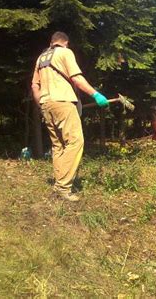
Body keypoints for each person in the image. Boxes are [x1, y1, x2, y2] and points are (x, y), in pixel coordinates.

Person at [31, 31, 109, 202]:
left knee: (58, 146)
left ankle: (59, 184)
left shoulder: (41, 58)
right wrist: (96, 94)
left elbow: (34, 86)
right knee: (75, 141)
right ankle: (63, 188)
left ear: (52, 42)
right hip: (63, 102)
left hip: (46, 104)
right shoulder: (65, 52)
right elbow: (77, 78)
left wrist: (42, 105)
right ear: (65, 42)